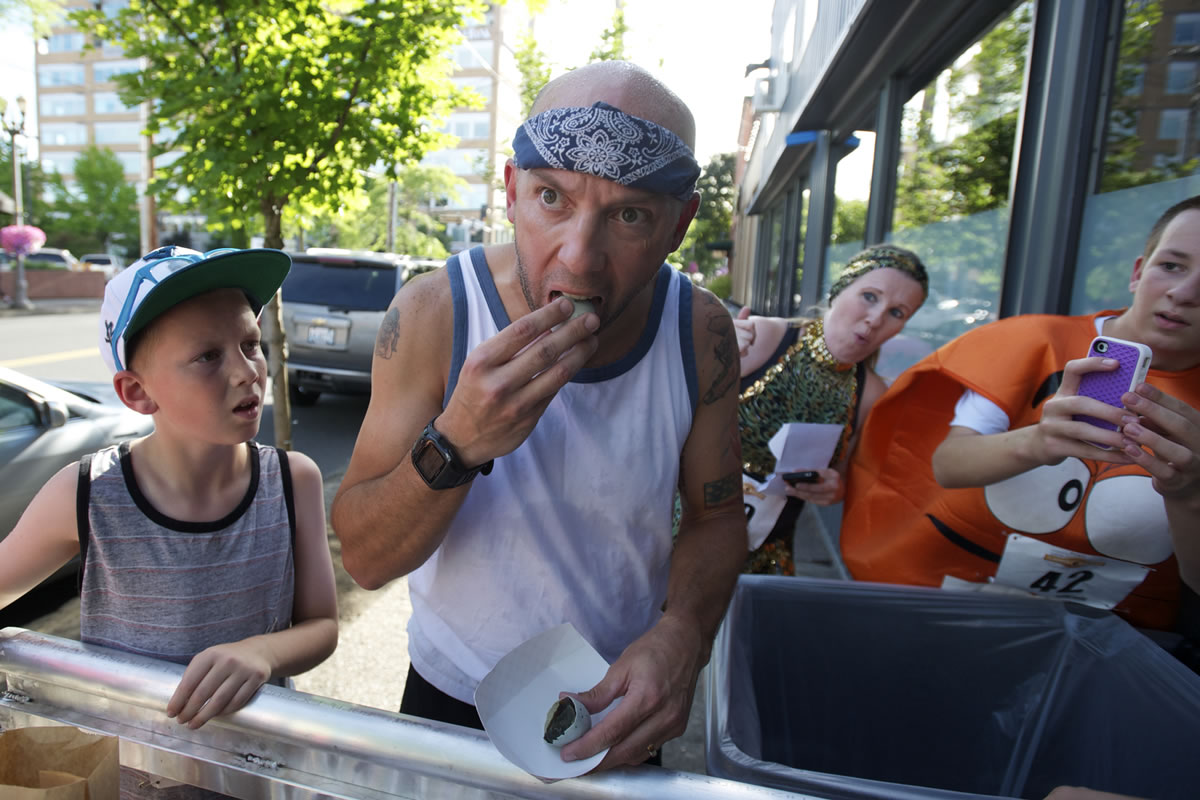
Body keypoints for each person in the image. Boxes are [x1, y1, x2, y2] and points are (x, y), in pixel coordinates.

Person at [331, 61, 746, 770]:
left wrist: (685, 634)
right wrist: (457, 442)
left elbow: (716, 518)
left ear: (679, 225)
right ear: (512, 192)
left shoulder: (697, 333)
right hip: (450, 693)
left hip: (616, 702)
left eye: (630, 215)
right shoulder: (435, 312)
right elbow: (367, 560)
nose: (580, 260)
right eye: (552, 197)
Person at [0, 246, 339, 796]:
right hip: (128, 778)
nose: (246, 371)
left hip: (257, 774)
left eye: (250, 344)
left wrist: (262, 652)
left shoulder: (291, 481)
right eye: (207, 356)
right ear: (137, 392)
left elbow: (322, 626)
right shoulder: (87, 493)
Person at [842, 196, 1200, 635]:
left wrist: (1189, 494)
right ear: (1138, 272)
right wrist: (1037, 441)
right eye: (1172, 265)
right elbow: (948, 463)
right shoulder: (1031, 342)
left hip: (1113, 647)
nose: (1184, 293)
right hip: (946, 610)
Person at [734, 244, 928, 574]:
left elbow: (840, 476)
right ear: (840, 289)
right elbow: (669, 410)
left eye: (897, 313)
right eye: (870, 296)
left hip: (763, 555)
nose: (876, 317)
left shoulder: (871, 393)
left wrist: (830, 488)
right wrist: (706, 356)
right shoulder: (763, 337)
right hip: (681, 528)